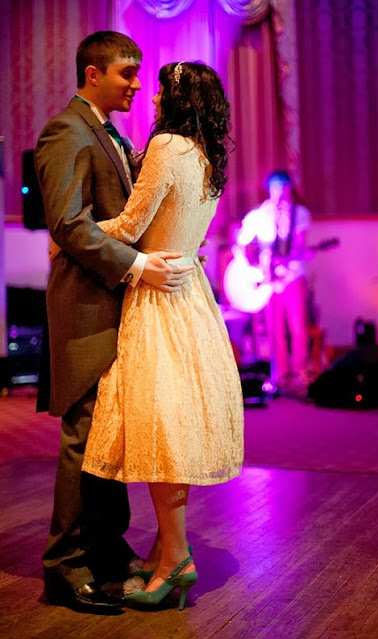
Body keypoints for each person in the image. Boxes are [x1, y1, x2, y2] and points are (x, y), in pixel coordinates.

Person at [35, 31, 195, 612]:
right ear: (92, 73)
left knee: (111, 438)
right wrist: (138, 265)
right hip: (85, 307)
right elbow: (69, 225)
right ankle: (65, 565)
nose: (136, 84)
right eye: (127, 72)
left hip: (117, 305)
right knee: (84, 438)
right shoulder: (67, 131)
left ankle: (105, 548)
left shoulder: (109, 132)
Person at [80, 61, 244, 610]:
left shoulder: (169, 146)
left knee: (159, 431)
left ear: (177, 98)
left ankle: (175, 557)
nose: (150, 99)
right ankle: (165, 549)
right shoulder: (205, 152)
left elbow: (130, 226)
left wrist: (71, 236)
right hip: (191, 291)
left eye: (161, 90)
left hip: (157, 296)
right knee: (170, 425)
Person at [236, 170, 312, 393]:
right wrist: (249, 268)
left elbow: (299, 245)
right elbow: (239, 243)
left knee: (298, 326)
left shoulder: (300, 214)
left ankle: (301, 373)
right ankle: (279, 376)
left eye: (284, 189)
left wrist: (296, 257)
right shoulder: (259, 215)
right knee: (274, 328)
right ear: (269, 190)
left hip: (293, 276)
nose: (280, 194)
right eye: (276, 188)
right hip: (268, 280)